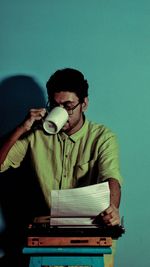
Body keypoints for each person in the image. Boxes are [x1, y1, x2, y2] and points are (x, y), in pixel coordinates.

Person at [0, 67, 123, 267]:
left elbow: (112, 179)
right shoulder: (36, 134)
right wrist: (22, 127)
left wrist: (113, 208)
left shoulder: (103, 138)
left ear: (84, 104)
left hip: (91, 234)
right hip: (48, 236)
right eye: (56, 105)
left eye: (68, 105)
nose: (62, 112)